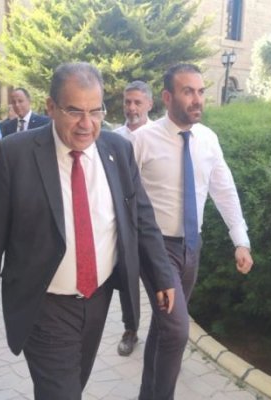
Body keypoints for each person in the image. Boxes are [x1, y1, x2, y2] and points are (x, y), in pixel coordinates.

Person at [0, 62, 177, 400]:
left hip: (98, 299)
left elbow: (143, 219)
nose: (86, 124)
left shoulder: (118, 150)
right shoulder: (15, 153)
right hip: (44, 304)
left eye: (95, 111)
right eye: (75, 111)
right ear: (51, 107)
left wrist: (162, 275)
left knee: (74, 382)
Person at [132, 64, 254, 400]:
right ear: (167, 97)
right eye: (188, 92)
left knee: (164, 327)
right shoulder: (142, 140)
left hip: (191, 248)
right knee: (176, 331)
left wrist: (240, 241)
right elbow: (123, 197)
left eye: (200, 91)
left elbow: (224, 190)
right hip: (157, 249)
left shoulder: (208, 140)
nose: (197, 99)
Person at [113, 80, 154, 356]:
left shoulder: (161, 136)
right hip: (122, 223)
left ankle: (165, 333)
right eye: (128, 102)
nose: (131, 107)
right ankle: (131, 329)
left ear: (149, 104)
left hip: (153, 224)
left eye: (138, 102)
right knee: (128, 280)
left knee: (159, 277)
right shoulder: (112, 138)